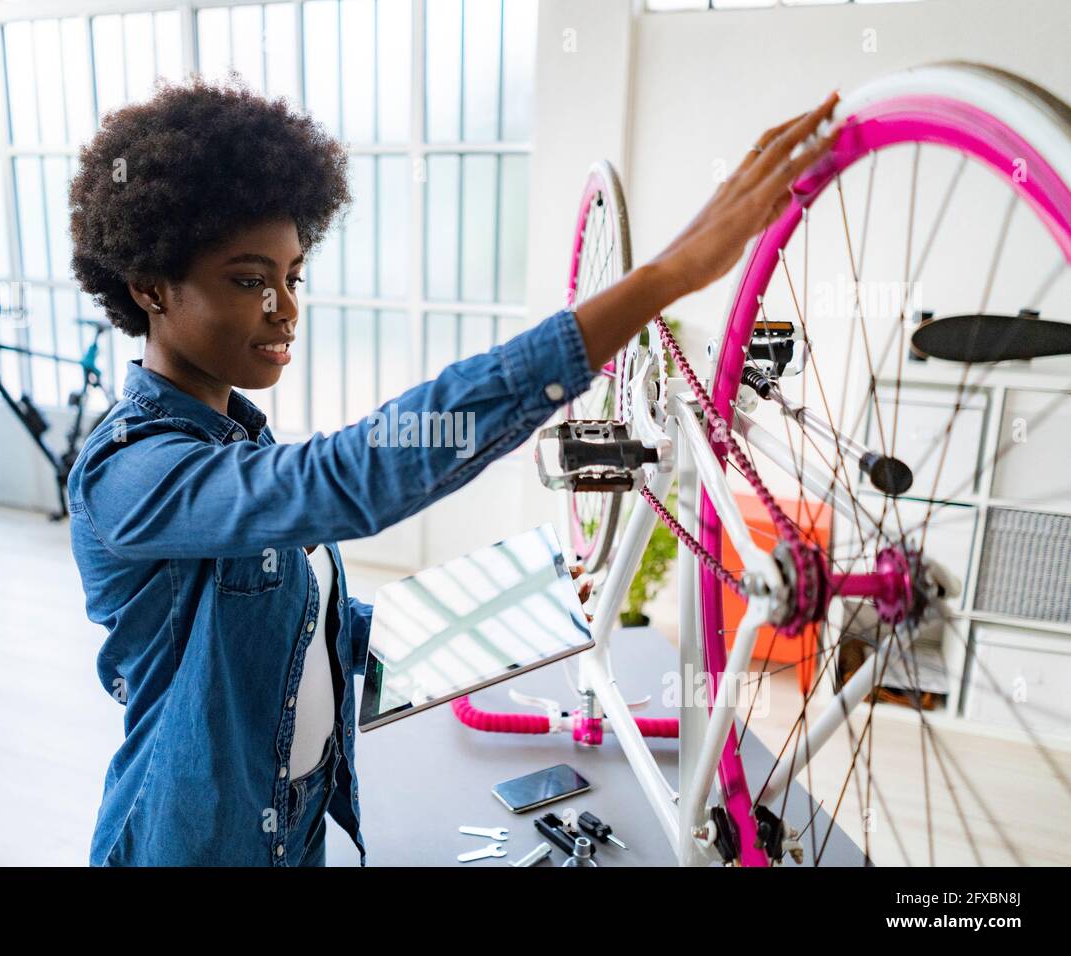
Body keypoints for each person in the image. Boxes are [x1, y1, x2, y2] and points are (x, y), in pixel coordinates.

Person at [66, 74, 840, 866]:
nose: (286, 308)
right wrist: (659, 283)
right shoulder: (127, 475)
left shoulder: (237, 444)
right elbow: (345, 480)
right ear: (150, 287)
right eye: (249, 280)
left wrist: (517, 610)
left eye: (292, 276)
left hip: (291, 835)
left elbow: (309, 636)